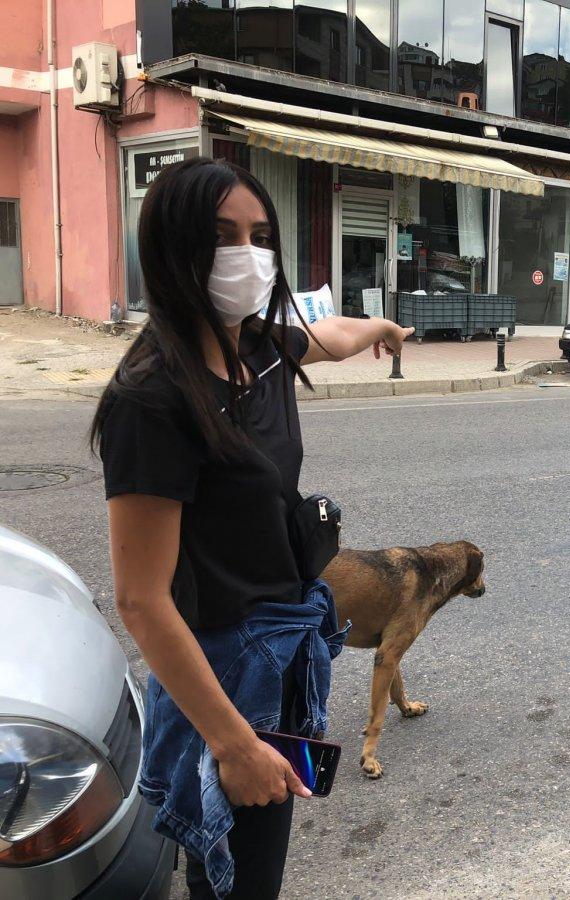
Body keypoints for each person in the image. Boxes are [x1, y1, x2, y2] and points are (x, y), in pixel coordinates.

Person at [89, 157, 414, 899]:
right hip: (225, 674)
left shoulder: (259, 348)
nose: (247, 255)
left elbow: (323, 334)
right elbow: (141, 600)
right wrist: (231, 743)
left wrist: (379, 328)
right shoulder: (154, 399)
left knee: (249, 864)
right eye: (221, 235)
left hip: (286, 645)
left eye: (260, 235)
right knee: (238, 878)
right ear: (172, 250)